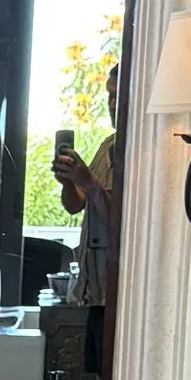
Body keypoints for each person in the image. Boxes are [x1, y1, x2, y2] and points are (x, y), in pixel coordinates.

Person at [56, 59, 120, 308]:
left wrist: (87, 181)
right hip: (92, 286)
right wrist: (68, 183)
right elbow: (76, 206)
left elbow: (117, 217)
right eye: (109, 96)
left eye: (118, 97)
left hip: (113, 285)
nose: (111, 105)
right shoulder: (108, 145)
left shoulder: (137, 153)